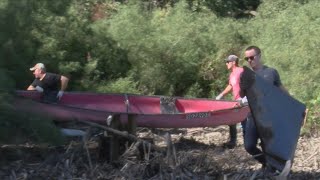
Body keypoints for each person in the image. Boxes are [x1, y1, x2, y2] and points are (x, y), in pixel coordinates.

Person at [241, 46, 288, 173]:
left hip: (269, 116)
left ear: (259, 56)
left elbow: (282, 91)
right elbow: (242, 95)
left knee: (268, 146)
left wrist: (294, 105)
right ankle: (266, 163)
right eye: (247, 58)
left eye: (252, 57)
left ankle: (274, 168)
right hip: (253, 115)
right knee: (249, 146)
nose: (249, 60)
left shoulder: (271, 72)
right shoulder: (246, 75)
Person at [216, 55, 244, 149]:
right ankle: (233, 142)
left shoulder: (241, 71)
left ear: (234, 62)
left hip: (244, 100)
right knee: (232, 119)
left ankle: (252, 141)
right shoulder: (232, 74)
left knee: (246, 121)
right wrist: (221, 95)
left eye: (228, 62)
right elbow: (231, 86)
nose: (226, 64)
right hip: (237, 100)